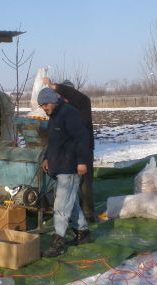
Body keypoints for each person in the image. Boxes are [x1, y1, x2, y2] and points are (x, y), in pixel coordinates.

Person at [38, 87, 91, 257]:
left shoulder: (69, 113)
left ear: (52, 100)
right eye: (41, 106)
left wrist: (82, 162)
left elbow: (83, 138)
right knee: (71, 202)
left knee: (61, 206)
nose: (43, 108)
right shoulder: (54, 116)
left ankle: (58, 242)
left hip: (70, 166)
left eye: (45, 104)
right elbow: (53, 142)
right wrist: (46, 157)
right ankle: (83, 233)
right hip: (59, 165)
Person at [43, 77, 95, 223]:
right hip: (67, 152)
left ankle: (88, 214)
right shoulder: (60, 111)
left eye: (65, 95)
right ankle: (73, 216)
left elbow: (82, 138)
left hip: (83, 149)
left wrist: (55, 87)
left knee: (85, 183)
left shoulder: (83, 104)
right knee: (68, 186)